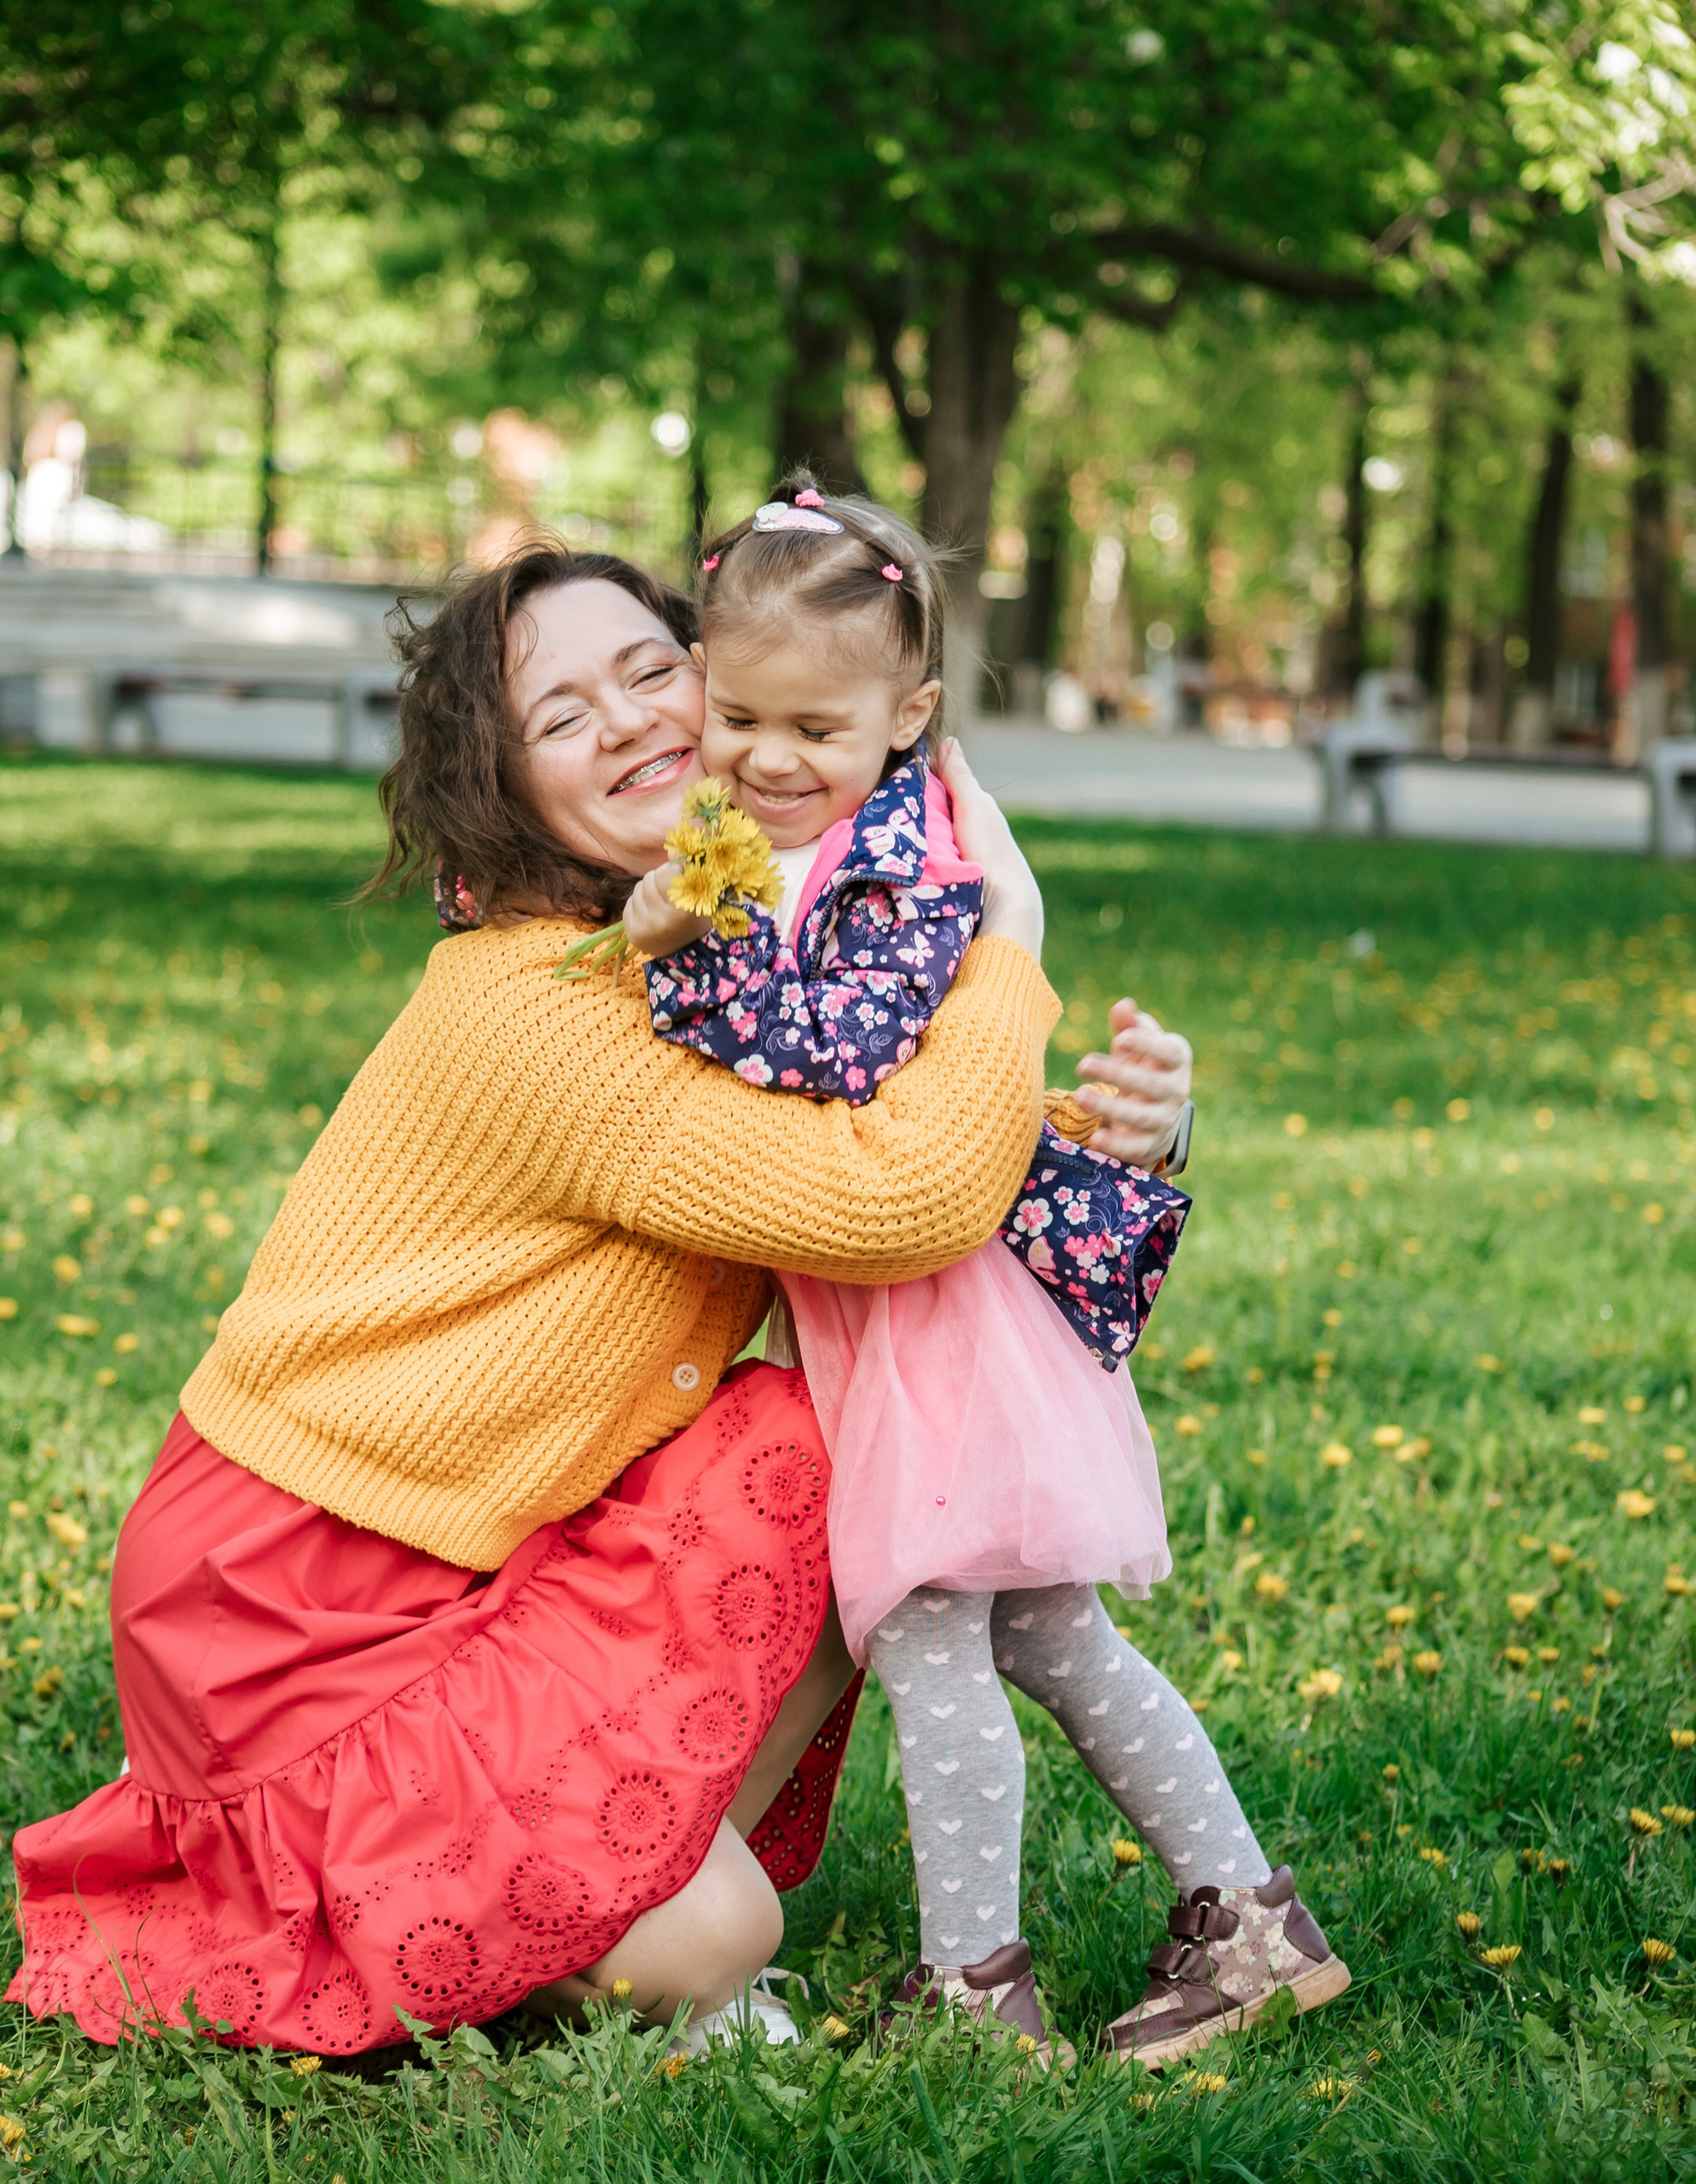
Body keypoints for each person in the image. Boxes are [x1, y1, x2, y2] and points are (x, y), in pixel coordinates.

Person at [3, 542, 1195, 2060]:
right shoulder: (548, 1007)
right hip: (289, 1612)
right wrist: (1009, 945)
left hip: (478, 1550)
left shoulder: (710, 957)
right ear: (499, 783)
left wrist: (1119, 1138)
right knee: (715, 1933)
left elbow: (911, 1180)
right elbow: (895, 1204)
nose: (635, 724)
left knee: (830, 1436)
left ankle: (601, 1890)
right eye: (562, 716)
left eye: (653, 671)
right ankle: (601, 1913)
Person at [615, 481, 1347, 2070]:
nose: (767, 755)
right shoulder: (807, 843)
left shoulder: (907, 861)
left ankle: (974, 1995)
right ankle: (1250, 1923)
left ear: (910, 716)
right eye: (736, 713)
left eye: (817, 722)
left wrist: (670, 957)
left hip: (940, 1317)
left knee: (935, 1638)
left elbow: (847, 1054)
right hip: (926, 1310)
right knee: (1052, 1639)